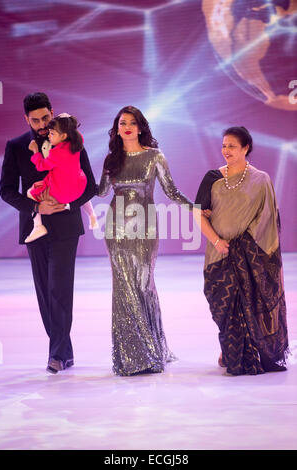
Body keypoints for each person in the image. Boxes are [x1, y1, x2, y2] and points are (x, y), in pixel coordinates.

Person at [0, 92, 96, 374]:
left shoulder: (73, 140)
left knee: (60, 289)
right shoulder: (17, 146)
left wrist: (66, 203)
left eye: (46, 118)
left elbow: (90, 186)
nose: (42, 124)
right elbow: (6, 190)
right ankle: (63, 352)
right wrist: (35, 205)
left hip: (66, 225)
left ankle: (56, 354)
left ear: (52, 112)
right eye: (35, 120)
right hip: (34, 226)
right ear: (26, 119)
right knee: (45, 293)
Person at [97, 105, 194, 376]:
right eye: (121, 123)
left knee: (143, 284)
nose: (126, 126)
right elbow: (102, 192)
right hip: (115, 229)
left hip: (144, 227)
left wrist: (196, 208)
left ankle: (151, 350)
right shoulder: (111, 159)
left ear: (140, 127)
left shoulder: (155, 157)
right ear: (117, 129)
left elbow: (172, 191)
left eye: (131, 122)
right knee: (123, 288)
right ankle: (133, 357)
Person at [194, 126, 289, 376]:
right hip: (219, 254)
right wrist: (216, 241)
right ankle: (230, 346)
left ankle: (243, 352)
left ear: (246, 148)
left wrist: (241, 246)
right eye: (224, 145)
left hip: (250, 256)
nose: (226, 151)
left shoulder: (261, 180)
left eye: (232, 146)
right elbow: (198, 214)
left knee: (251, 302)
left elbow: (268, 219)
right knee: (222, 307)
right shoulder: (212, 177)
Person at [25, 114, 87, 243]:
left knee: (30, 192)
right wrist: (67, 118)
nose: (48, 136)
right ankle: (92, 215)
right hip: (78, 187)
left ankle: (38, 226)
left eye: (52, 134)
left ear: (63, 136)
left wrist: (35, 151)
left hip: (61, 193)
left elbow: (41, 166)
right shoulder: (75, 142)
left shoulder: (56, 152)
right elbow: (77, 132)